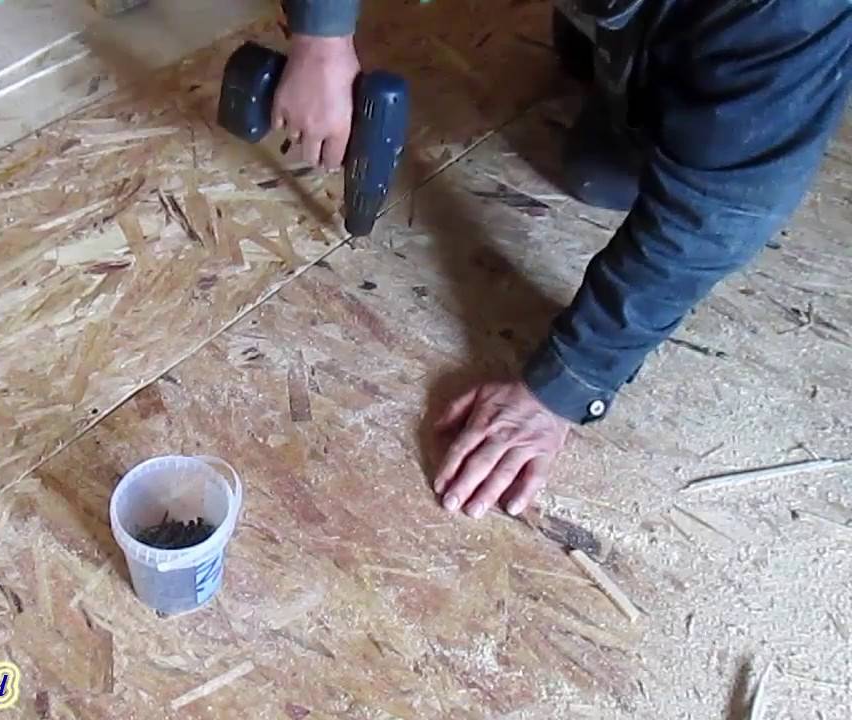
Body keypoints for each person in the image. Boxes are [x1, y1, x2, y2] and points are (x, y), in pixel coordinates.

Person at [275, 0, 852, 518]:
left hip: (748, 38)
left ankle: (643, 54)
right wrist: (321, 39)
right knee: (589, 114)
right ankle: (607, 34)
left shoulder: (783, 16)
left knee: (606, 174)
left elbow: (716, 211)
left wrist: (563, 385)